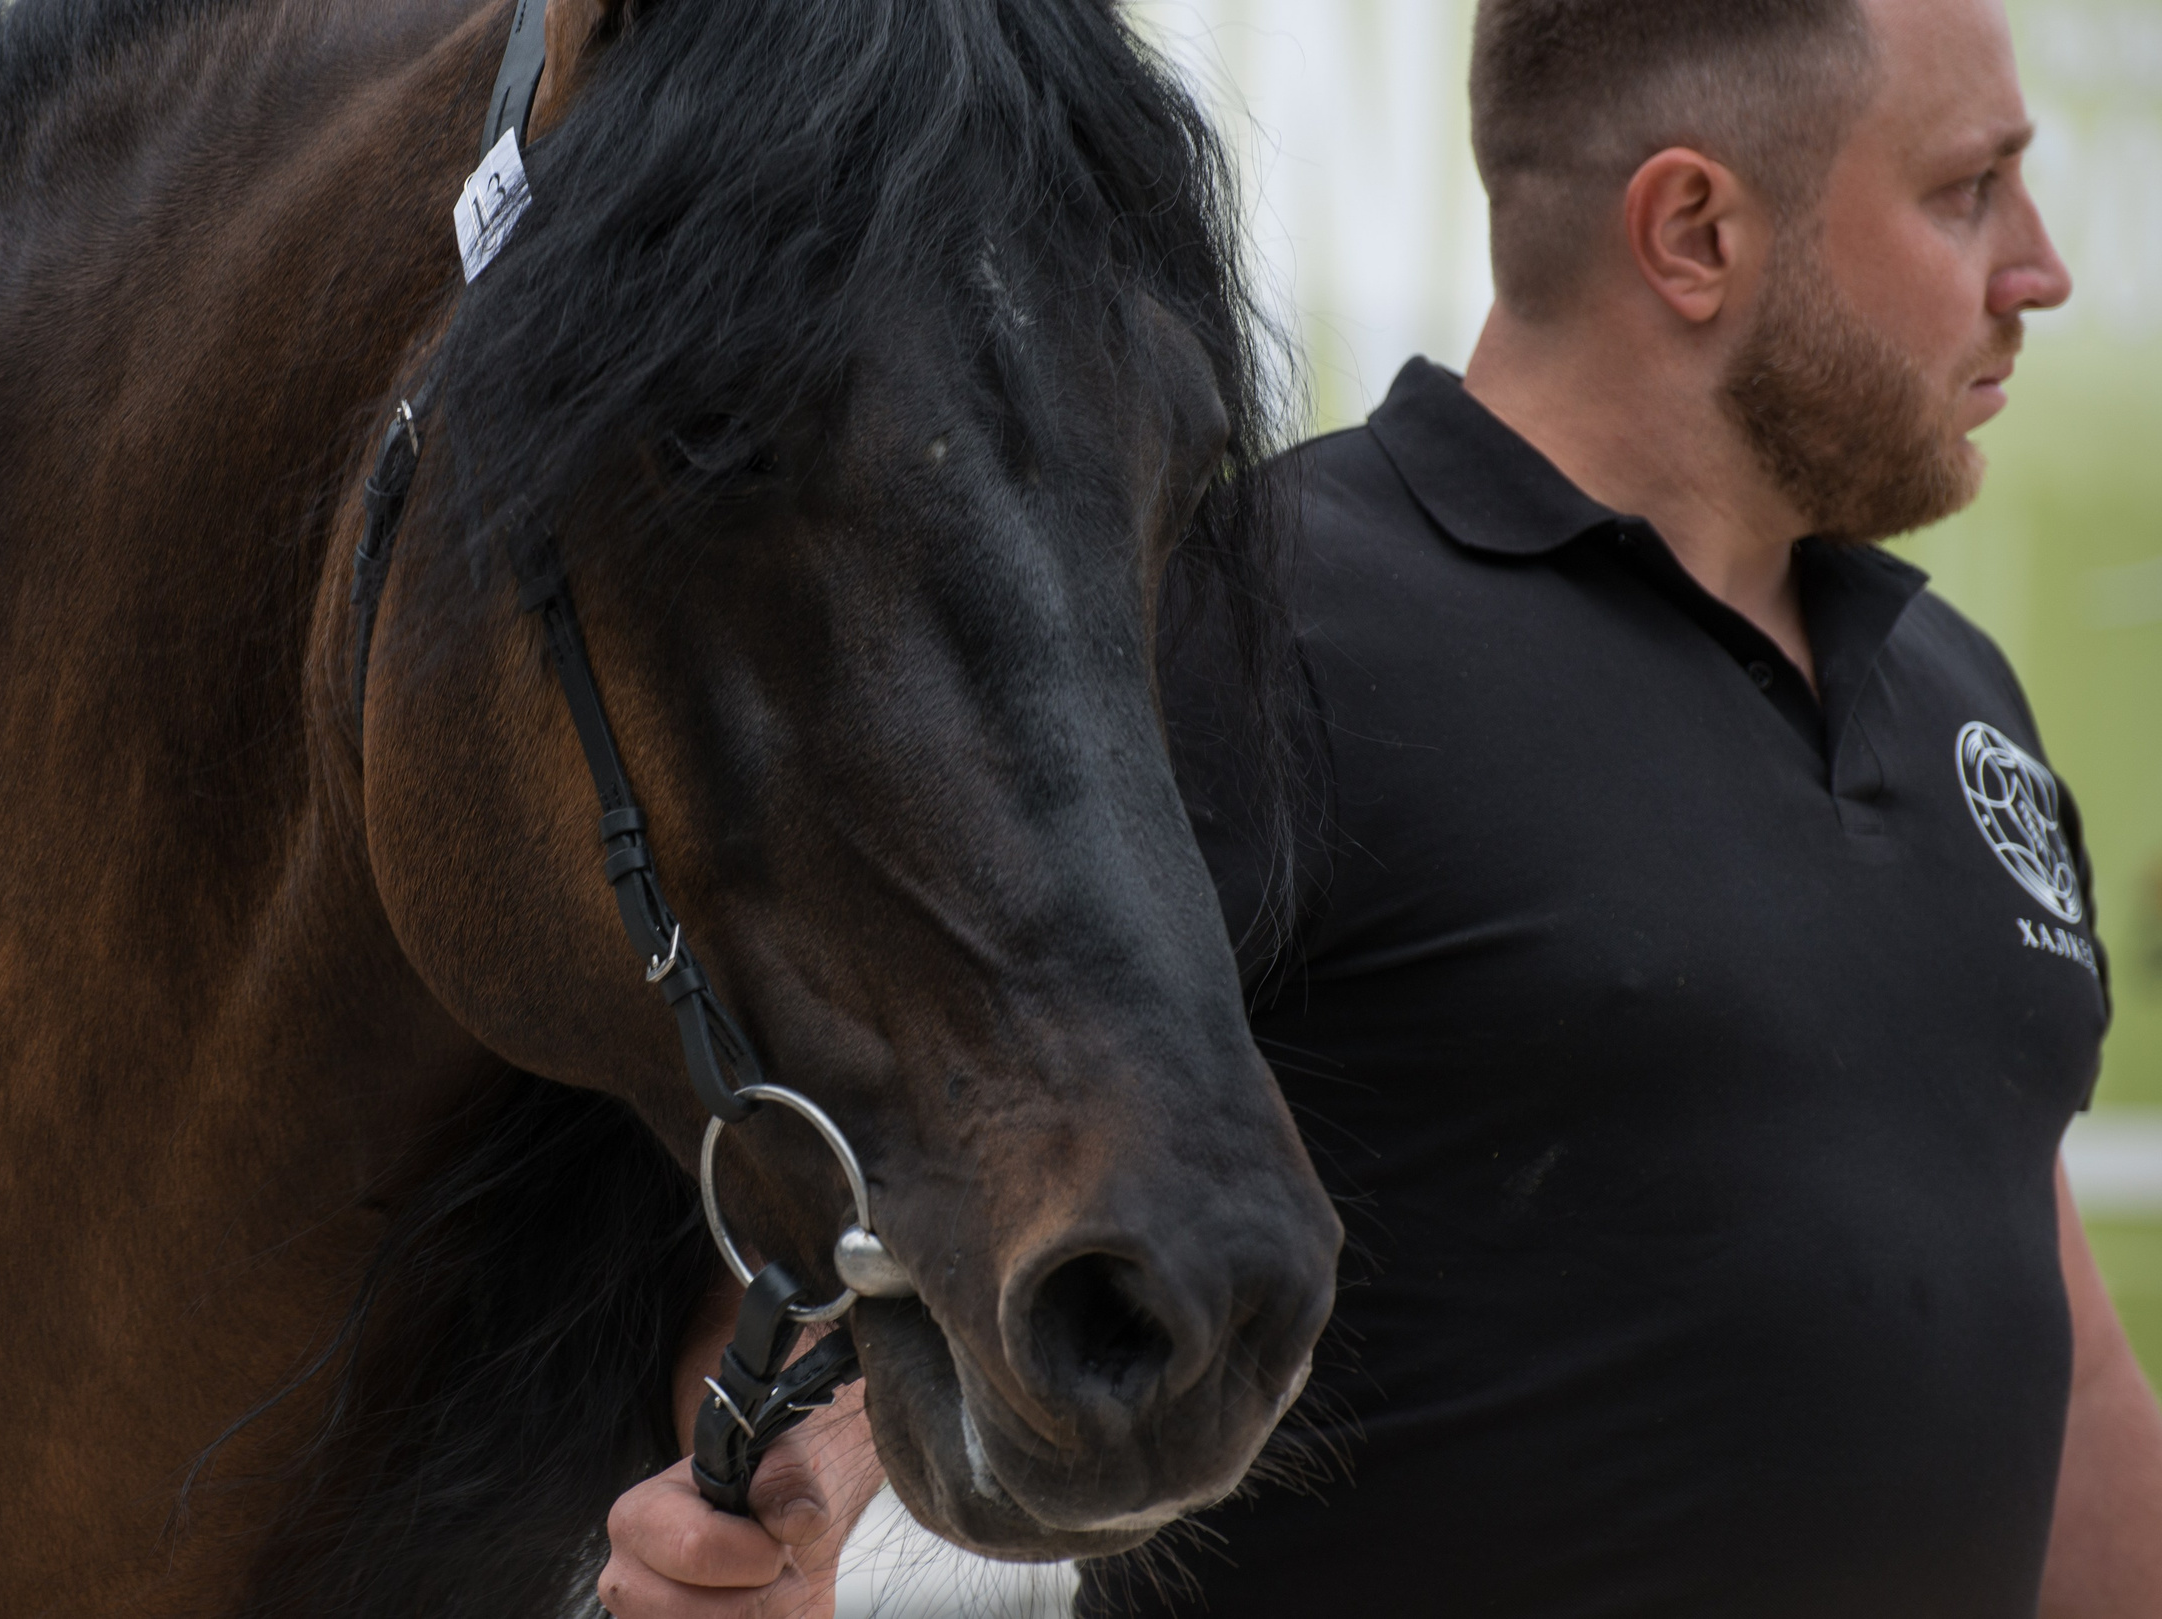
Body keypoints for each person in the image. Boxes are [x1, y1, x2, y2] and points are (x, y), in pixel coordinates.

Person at [596, 0, 2162, 1613]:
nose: (2038, 266)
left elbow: (2057, 1340)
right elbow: (931, 1162)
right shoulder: (1257, 626)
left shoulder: (1957, 682)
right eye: (1969, 189)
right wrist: (792, 1511)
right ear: (1695, 231)